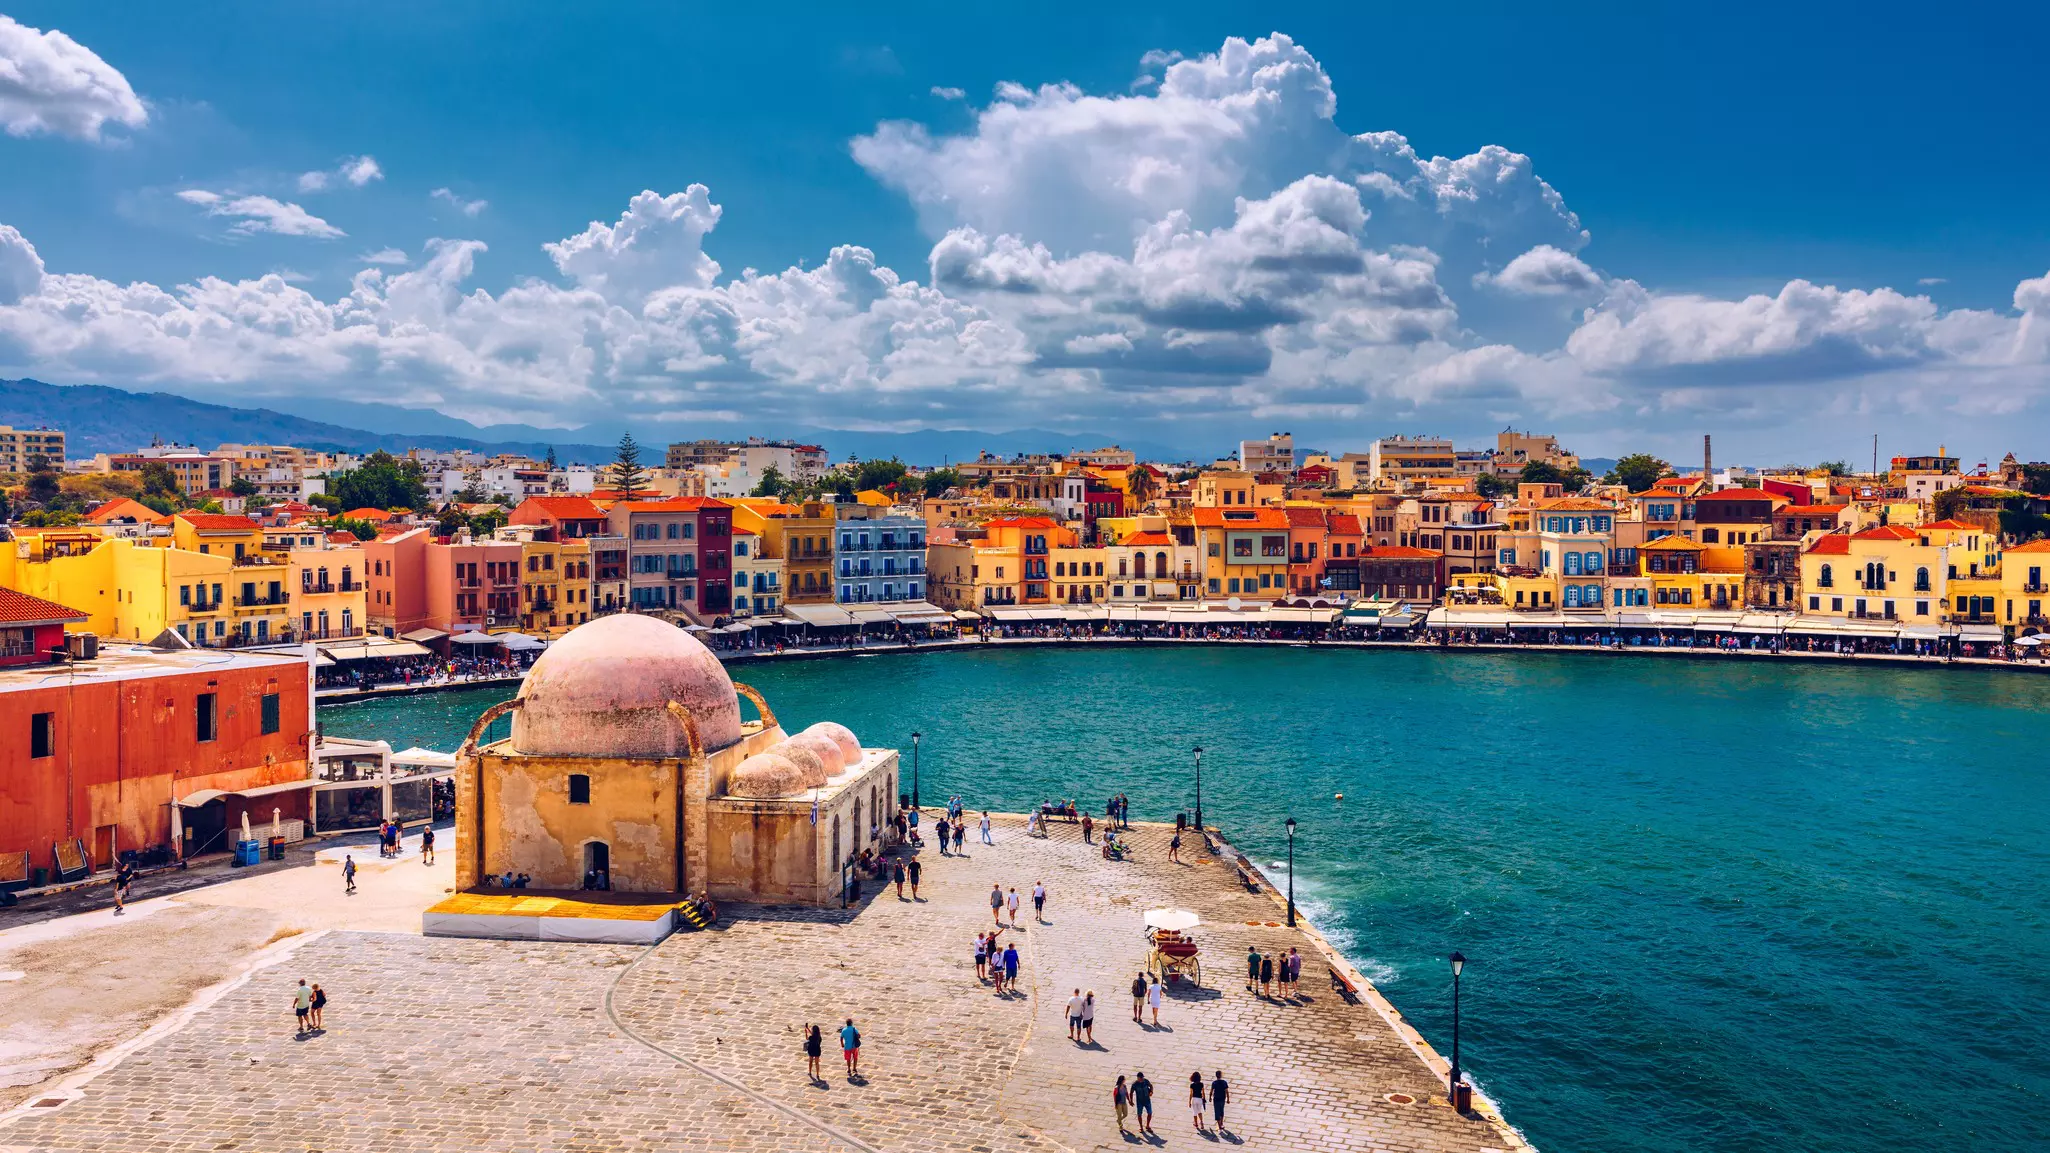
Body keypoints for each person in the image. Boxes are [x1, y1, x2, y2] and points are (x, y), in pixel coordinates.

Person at [1131, 1071, 1155, 1135]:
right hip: (1139, 1102)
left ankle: (1147, 1125)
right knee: (1139, 1114)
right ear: (1138, 1078)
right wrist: (1131, 1101)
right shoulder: (1134, 1084)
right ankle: (1141, 1127)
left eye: (1142, 1077)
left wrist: (1151, 1092)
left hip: (1147, 1100)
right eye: (1140, 1078)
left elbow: (1151, 1086)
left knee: (1150, 1113)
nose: (1142, 1079)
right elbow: (1131, 1092)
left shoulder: (1146, 1081)